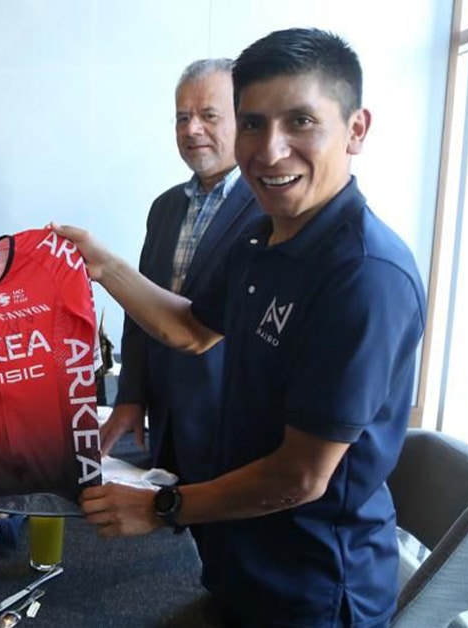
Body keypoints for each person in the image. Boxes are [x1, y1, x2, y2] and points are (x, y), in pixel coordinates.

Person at [58, 28, 426, 627]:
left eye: (300, 121)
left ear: (356, 130)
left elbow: (300, 477)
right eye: (254, 123)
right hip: (239, 561)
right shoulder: (262, 239)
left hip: (313, 590)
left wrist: (162, 506)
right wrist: (103, 266)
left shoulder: (365, 275)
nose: (271, 150)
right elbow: (191, 330)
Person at [104, 58, 261, 489]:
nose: (192, 129)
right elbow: (139, 310)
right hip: (165, 418)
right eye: (182, 118)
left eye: (209, 116)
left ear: (244, 120)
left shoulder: (269, 208)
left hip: (232, 424)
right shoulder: (166, 206)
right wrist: (131, 396)